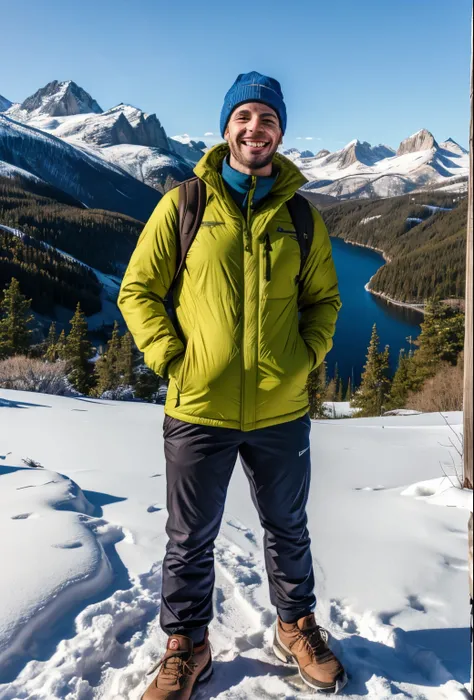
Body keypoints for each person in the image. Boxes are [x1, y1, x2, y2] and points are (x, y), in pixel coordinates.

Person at [118, 71, 345, 699]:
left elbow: (324, 301)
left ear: (279, 134)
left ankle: (295, 626)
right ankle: (187, 645)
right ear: (226, 129)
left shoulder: (301, 216)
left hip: (279, 408)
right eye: (244, 117)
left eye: (268, 120)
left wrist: (305, 357)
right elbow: (138, 291)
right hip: (198, 405)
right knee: (189, 538)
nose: (256, 129)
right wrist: (174, 359)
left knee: (288, 526)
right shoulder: (185, 204)